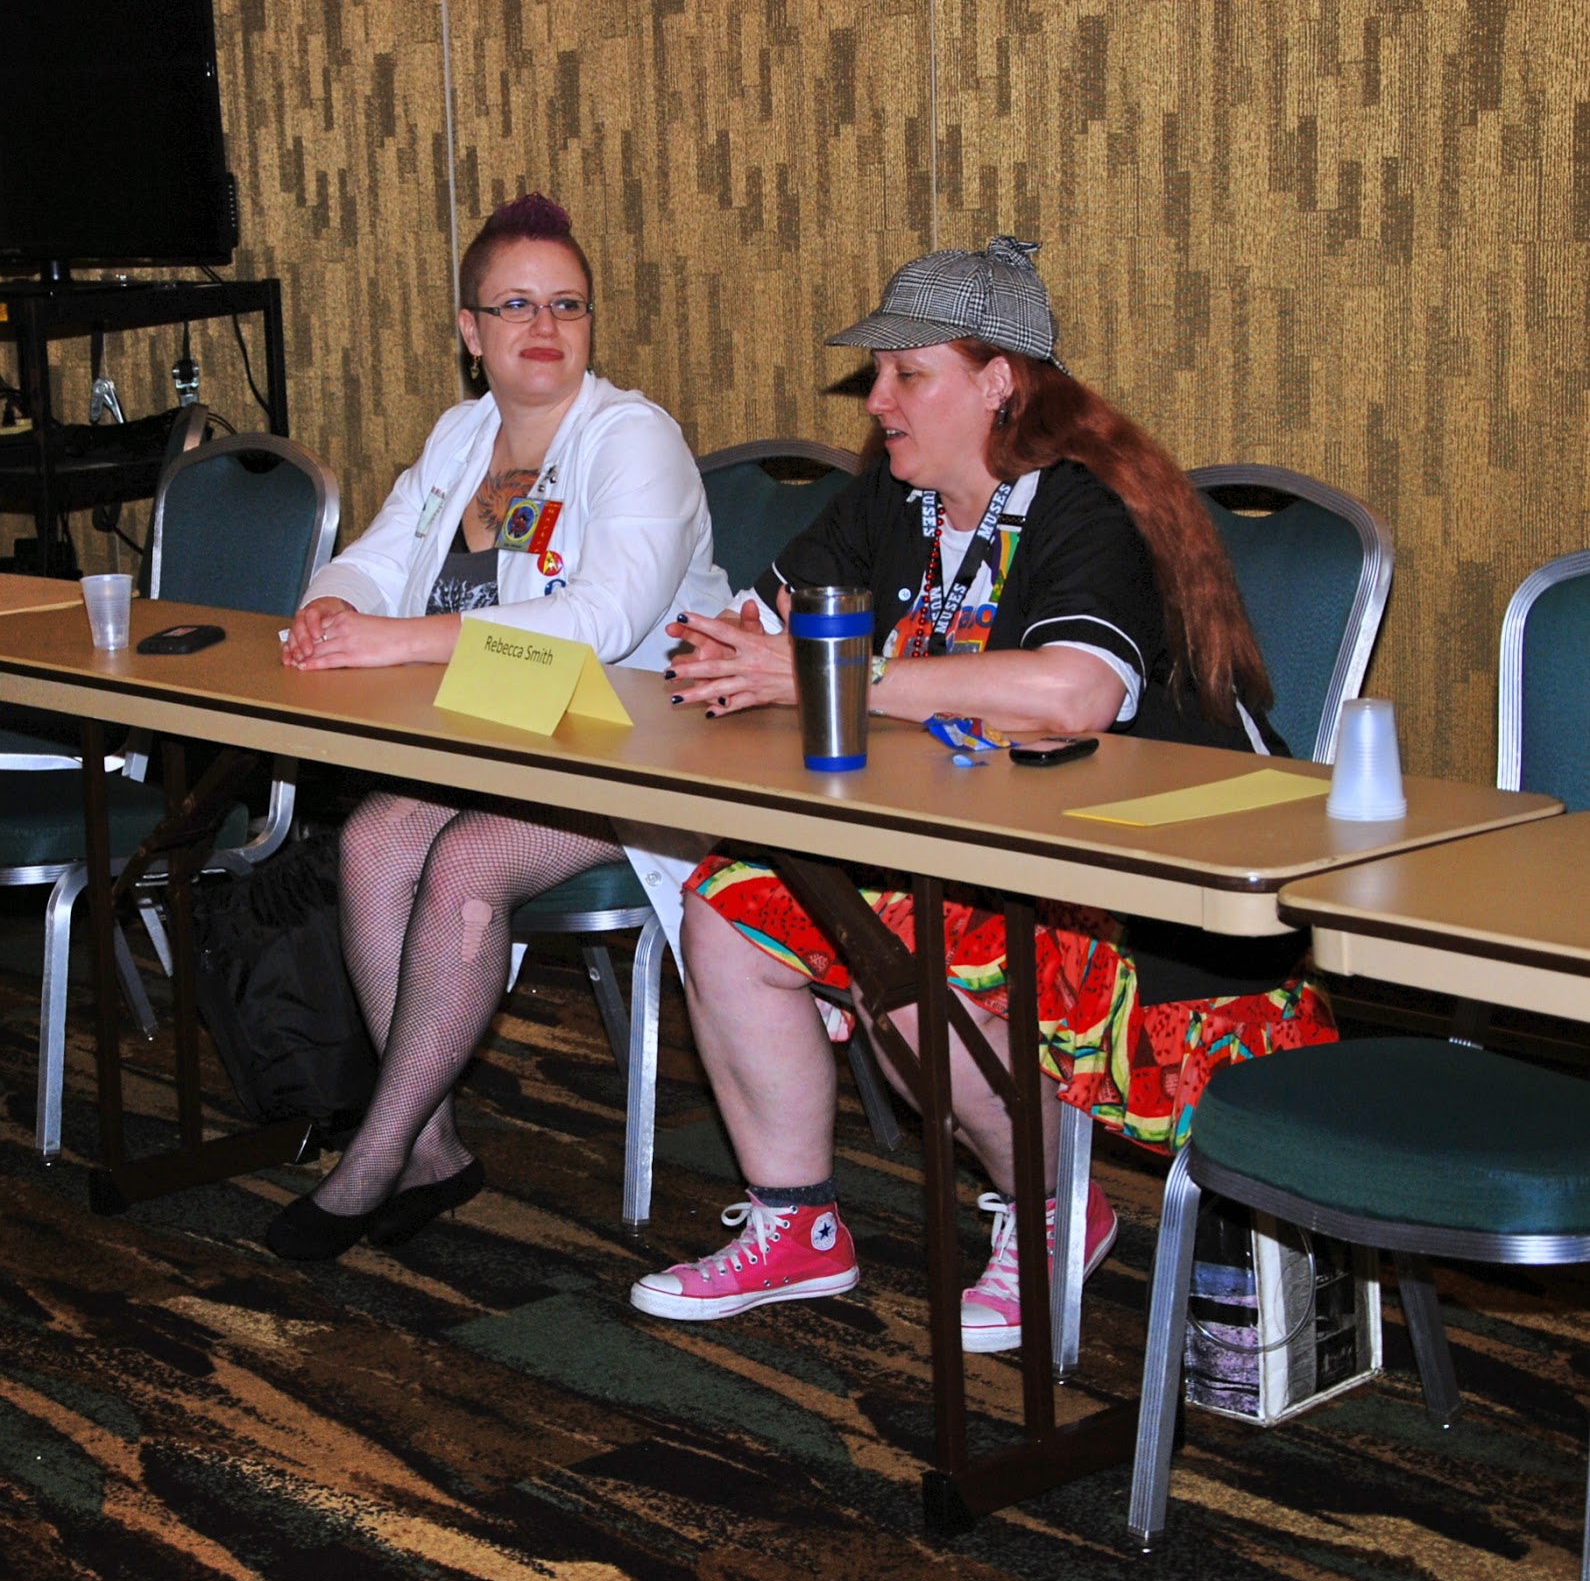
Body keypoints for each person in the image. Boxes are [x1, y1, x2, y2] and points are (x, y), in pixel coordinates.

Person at [629, 236, 1336, 1348]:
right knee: (727, 913)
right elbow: (754, 633)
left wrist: (830, 676)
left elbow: (1072, 694)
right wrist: (741, 646)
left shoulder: (1086, 508)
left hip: (1154, 888)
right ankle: (796, 1222)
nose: (877, 400)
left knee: (902, 976)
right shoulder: (893, 500)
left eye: (908, 374)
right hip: (969, 846)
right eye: (879, 374)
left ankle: (1054, 1211)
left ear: (999, 382)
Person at [266, 192, 731, 1260]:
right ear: (470, 332)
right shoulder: (461, 435)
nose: (545, 326)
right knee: (374, 840)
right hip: (509, 727)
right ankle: (431, 1147)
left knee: (468, 858)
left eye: (568, 304)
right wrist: (332, 606)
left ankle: (373, 1157)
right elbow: (380, 556)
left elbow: (603, 622)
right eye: (515, 305)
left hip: (643, 746)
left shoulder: (633, 438)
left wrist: (398, 641)